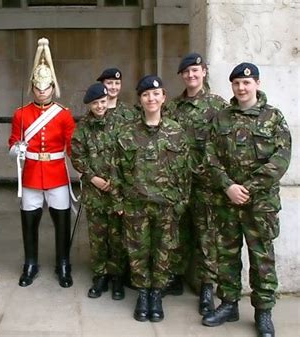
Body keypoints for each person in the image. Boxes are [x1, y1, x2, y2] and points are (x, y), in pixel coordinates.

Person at [202, 63, 291, 337]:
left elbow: (281, 159)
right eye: (237, 83)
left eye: (246, 83)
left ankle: (263, 312)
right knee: (226, 255)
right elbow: (210, 156)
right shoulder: (221, 118)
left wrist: (247, 188)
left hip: (260, 205)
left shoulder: (273, 118)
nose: (242, 88)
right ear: (232, 86)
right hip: (226, 202)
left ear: (257, 84)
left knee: (261, 258)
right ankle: (229, 304)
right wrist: (228, 186)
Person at [113, 75, 191, 322]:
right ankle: (143, 293)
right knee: (137, 252)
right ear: (140, 100)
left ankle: (157, 293)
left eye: (156, 94)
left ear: (164, 97)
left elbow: (185, 171)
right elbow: (117, 170)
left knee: (163, 251)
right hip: (136, 205)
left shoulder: (176, 132)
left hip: (167, 207)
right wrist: (119, 203)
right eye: (146, 95)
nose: (151, 98)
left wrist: (181, 203)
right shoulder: (127, 134)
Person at [8, 37, 76, 288]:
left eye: (46, 88)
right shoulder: (21, 114)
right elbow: (12, 143)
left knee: (61, 223)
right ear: (32, 87)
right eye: (38, 88)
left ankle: (63, 263)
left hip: (57, 174)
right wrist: (18, 149)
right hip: (32, 175)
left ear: (52, 88)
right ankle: (30, 263)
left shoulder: (64, 114)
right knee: (29, 222)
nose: (42, 92)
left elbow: (72, 146)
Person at [164, 52, 228, 314]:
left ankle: (206, 288)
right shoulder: (173, 107)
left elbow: (225, 145)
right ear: (181, 76)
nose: (191, 75)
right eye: (186, 72)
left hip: (205, 183)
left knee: (206, 235)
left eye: (195, 70)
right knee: (177, 232)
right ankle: (176, 277)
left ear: (204, 72)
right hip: (178, 182)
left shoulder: (218, 106)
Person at [71, 83, 126, 300]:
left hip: (116, 191)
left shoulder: (121, 124)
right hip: (95, 193)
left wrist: (114, 181)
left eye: (103, 102)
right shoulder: (83, 127)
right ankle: (101, 275)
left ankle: (118, 277)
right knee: (98, 237)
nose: (100, 106)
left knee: (117, 237)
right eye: (96, 103)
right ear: (90, 105)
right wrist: (92, 177)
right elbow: (77, 155)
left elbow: (127, 155)